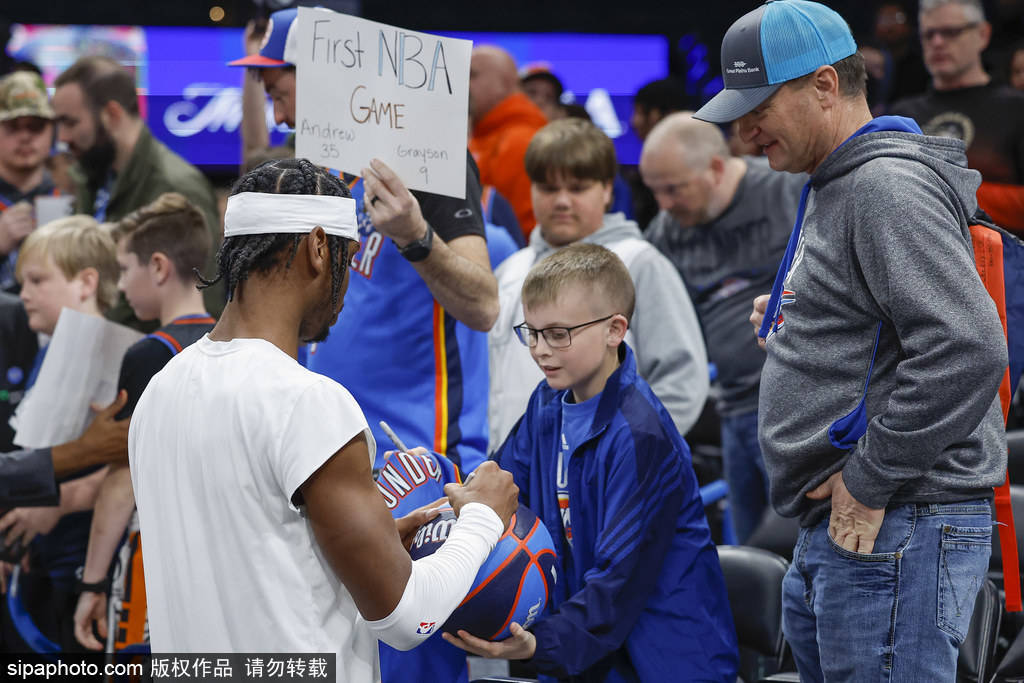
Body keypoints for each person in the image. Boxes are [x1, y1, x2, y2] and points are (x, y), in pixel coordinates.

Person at [695, 0, 1009, 679]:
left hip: (893, 520)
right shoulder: (839, 180)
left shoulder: (883, 186)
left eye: (759, 108)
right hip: (864, 528)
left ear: (825, 85)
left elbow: (967, 348)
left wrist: (868, 481)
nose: (745, 132)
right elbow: (887, 328)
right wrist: (807, 322)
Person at [129, 158, 518, 683]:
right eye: (347, 258)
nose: (346, 287)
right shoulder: (307, 401)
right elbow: (409, 619)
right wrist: (483, 520)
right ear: (318, 248)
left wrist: (365, 545)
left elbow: (247, 559)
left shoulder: (160, 390)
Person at [450, 244, 737, 681]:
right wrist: (443, 486)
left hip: (665, 663)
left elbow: (619, 580)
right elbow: (504, 487)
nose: (540, 350)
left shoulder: (640, 436)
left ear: (614, 330)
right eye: (532, 332)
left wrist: (540, 644)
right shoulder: (548, 404)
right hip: (589, 650)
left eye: (558, 334)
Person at [229, 8, 499, 473]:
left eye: (280, 95)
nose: (281, 116)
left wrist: (415, 237)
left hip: (420, 456)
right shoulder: (323, 171)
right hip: (333, 448)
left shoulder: (426, 161)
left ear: (321, 79)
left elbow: (484, 306)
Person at [489, 118, 708, 452]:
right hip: (518, 474)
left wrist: (627, 453)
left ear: (607, 190)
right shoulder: (511, 270)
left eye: (577, 188)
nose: (562, 201)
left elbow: (681, 382)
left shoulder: (638, 263)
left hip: (609, 474)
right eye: (548, 188)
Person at [640, 112, 805, 542]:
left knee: (795, 545)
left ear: (715, 168)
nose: (664, 204)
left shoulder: (786, 191)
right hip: (733, 408)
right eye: (654, 191)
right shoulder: (666, 231)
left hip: (798, 407)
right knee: (749, 552)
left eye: (673, 189)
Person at [71, 192, 214, 653]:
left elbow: (123, 480)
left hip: (157, 557)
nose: (120, 286)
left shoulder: (150, 353)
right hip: (222, 552)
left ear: (157, 267)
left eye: (124, 268)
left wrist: (92, 582)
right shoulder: (236, 341)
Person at [0, 215, 120, 651]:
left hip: (84, 570)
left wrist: (64, 500)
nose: (23, 294)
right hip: (43, 566)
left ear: (86, 282)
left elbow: (130, 466)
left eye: (36, 281)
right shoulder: (51, 354)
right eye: (21, 282)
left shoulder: (112, 357)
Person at [51, 56, 224, 318]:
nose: (63, 137)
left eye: (70, 123)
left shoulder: (175, 186)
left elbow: (200, 305)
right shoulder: (91, 175)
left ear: (112, 114)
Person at [889, 0, 1024, 232]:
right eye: (928, 35)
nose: (937, 42)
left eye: (951, 32)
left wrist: (942, 193)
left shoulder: (1016, 107)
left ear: (983, 34)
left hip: (1000, 250)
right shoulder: (901, 115)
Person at [469, 45, 548, 237]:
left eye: (472, 75)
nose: (462, 84)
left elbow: (530, 231)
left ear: (504, 82)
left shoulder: (522, 142)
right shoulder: (485, 136)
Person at [0, 71, 61, 293]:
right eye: (12, 126)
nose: (25, 137)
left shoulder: (76, 193)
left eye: (35, 126)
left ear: (52, 131)